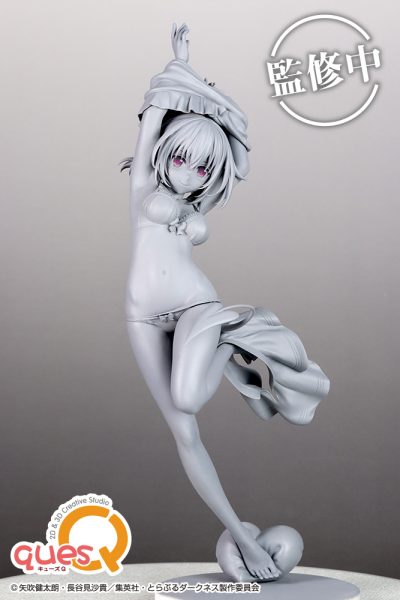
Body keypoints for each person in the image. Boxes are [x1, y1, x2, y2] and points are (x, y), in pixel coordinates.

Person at [122, 23, 329, 581]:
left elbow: (223, 175)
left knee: (188, 398)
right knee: (184, 433)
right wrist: (182, 65)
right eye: (182, 160)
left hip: (196, 308)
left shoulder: (196, 208)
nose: (189, 175)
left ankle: (230, 340)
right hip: (143, 319)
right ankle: (241, 535)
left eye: (203, 169)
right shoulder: (142, 185)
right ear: (166, 153)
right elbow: (153, 114)